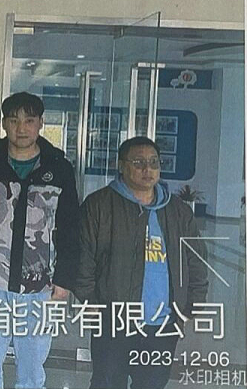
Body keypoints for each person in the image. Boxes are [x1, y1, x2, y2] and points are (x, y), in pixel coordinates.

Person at [0, 92, 80, 388]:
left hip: (39, 285)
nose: (22, 128)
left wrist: (65, 278)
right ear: (5, 124)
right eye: (14, 120)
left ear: (41, 123)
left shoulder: (58, 168)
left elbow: (70, 228)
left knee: (32, 370)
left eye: (29, 121)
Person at [74, 136, 208, 389]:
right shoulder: (99, 205)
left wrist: (191, 305)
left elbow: (196, 260)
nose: (148, 169)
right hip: (114, 320)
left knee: (152, 383)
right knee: (106, 382)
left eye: (154, 162)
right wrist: (89, 301)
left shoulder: (178, 210)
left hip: (163, 323)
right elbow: (83, 257)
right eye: (138, 162)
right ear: (121, 165)